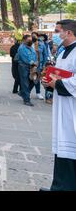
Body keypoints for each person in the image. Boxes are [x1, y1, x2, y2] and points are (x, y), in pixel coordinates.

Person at [42, 20, 76, 191]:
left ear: (68, 33)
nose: (54, 35)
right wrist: (48, 80)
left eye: (57, 31)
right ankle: (58, 185)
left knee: (70, 147)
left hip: (72, 109)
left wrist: (58, 84)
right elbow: (60, 74)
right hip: (62, 106)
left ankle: (67, 186)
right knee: (61, 148)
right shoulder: (63, 52)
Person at [16, 34, 37, 107]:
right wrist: (32, 62)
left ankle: (22, 92)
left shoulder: (31, 47)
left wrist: (35, 62)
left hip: (32, 67)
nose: (30, 41)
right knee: (25, 83)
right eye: (29, 40)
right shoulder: (21, 48)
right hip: (23, 67)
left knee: (35, 80)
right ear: (24, 40)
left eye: (31, 40)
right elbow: (25, 58)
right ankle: (27, 100)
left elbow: (34, 55)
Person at [31, 32, 47, 100]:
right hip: (31, 64)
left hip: (39, 65)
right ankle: (27, 92)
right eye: (32, 36)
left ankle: (38, 93)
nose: (33, 37)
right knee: (31, 79)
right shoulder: (30, 43)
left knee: (36, 79)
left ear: (37, 37)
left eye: (34, 36)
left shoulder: (42, 44)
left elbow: (45, 55)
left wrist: (44, 65)